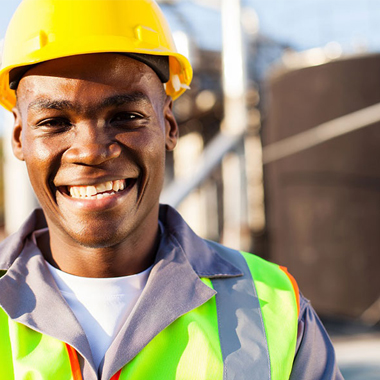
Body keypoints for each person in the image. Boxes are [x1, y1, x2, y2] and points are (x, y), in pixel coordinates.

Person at [0, 0, 344, 379]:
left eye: (126, 116)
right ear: (19, 138)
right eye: (55, 122)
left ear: (169, 125)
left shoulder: (276, 305)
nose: (92, 151)